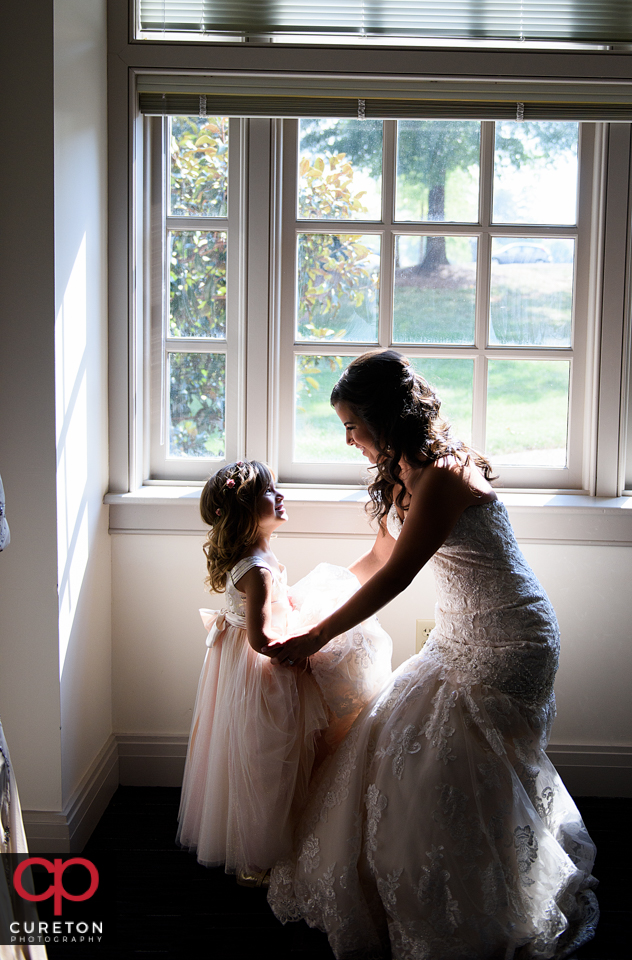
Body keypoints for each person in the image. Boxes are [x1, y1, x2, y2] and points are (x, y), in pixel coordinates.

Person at [267, 352, 598, 959]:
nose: (348, 441)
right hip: (456, 635)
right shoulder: (399, 472)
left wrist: (316, 640)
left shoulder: (443, 475)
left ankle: (489, 905)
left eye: (352, 426)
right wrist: (303, 602)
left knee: (464, 770)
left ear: (384, 419)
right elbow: (372, 561)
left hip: (510, 639)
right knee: (388, 740)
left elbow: (396, 577)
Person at [176, 460, 391, 885]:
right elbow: (260, 639)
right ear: (244, 509)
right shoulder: (256, 569)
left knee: (264, 757)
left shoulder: (258, 554)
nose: (281, 496)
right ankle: (263, 851)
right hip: (261, 673)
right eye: (270, 492)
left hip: (238, 665)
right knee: (270, 760)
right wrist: (301, 651)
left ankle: (274, 841)